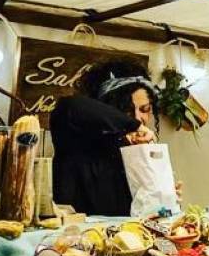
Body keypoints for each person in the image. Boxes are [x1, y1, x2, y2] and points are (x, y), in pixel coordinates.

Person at [49, 60, 161, 215]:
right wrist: (134, 125)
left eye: (145, 109)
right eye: (126, 110)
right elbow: (69, 106)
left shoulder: (136, 153)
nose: (138, 117)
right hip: (77, 235)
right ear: (107, 108)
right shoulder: (77, 136)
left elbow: (145, 212)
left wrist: (163, 199)